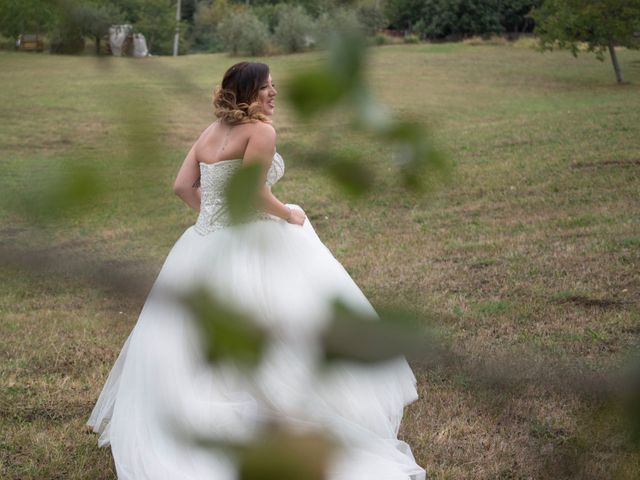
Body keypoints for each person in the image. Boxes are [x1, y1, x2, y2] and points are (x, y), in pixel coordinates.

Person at [88, 61, 426, 480]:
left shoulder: (209, 133)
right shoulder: (261, 132)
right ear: (248, 92)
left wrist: (211, 219)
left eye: (273, 85)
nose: (275, 92)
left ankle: (204, 412)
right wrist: (289, 214)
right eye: (267, 87)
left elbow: (182, 186)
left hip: (200, 243)